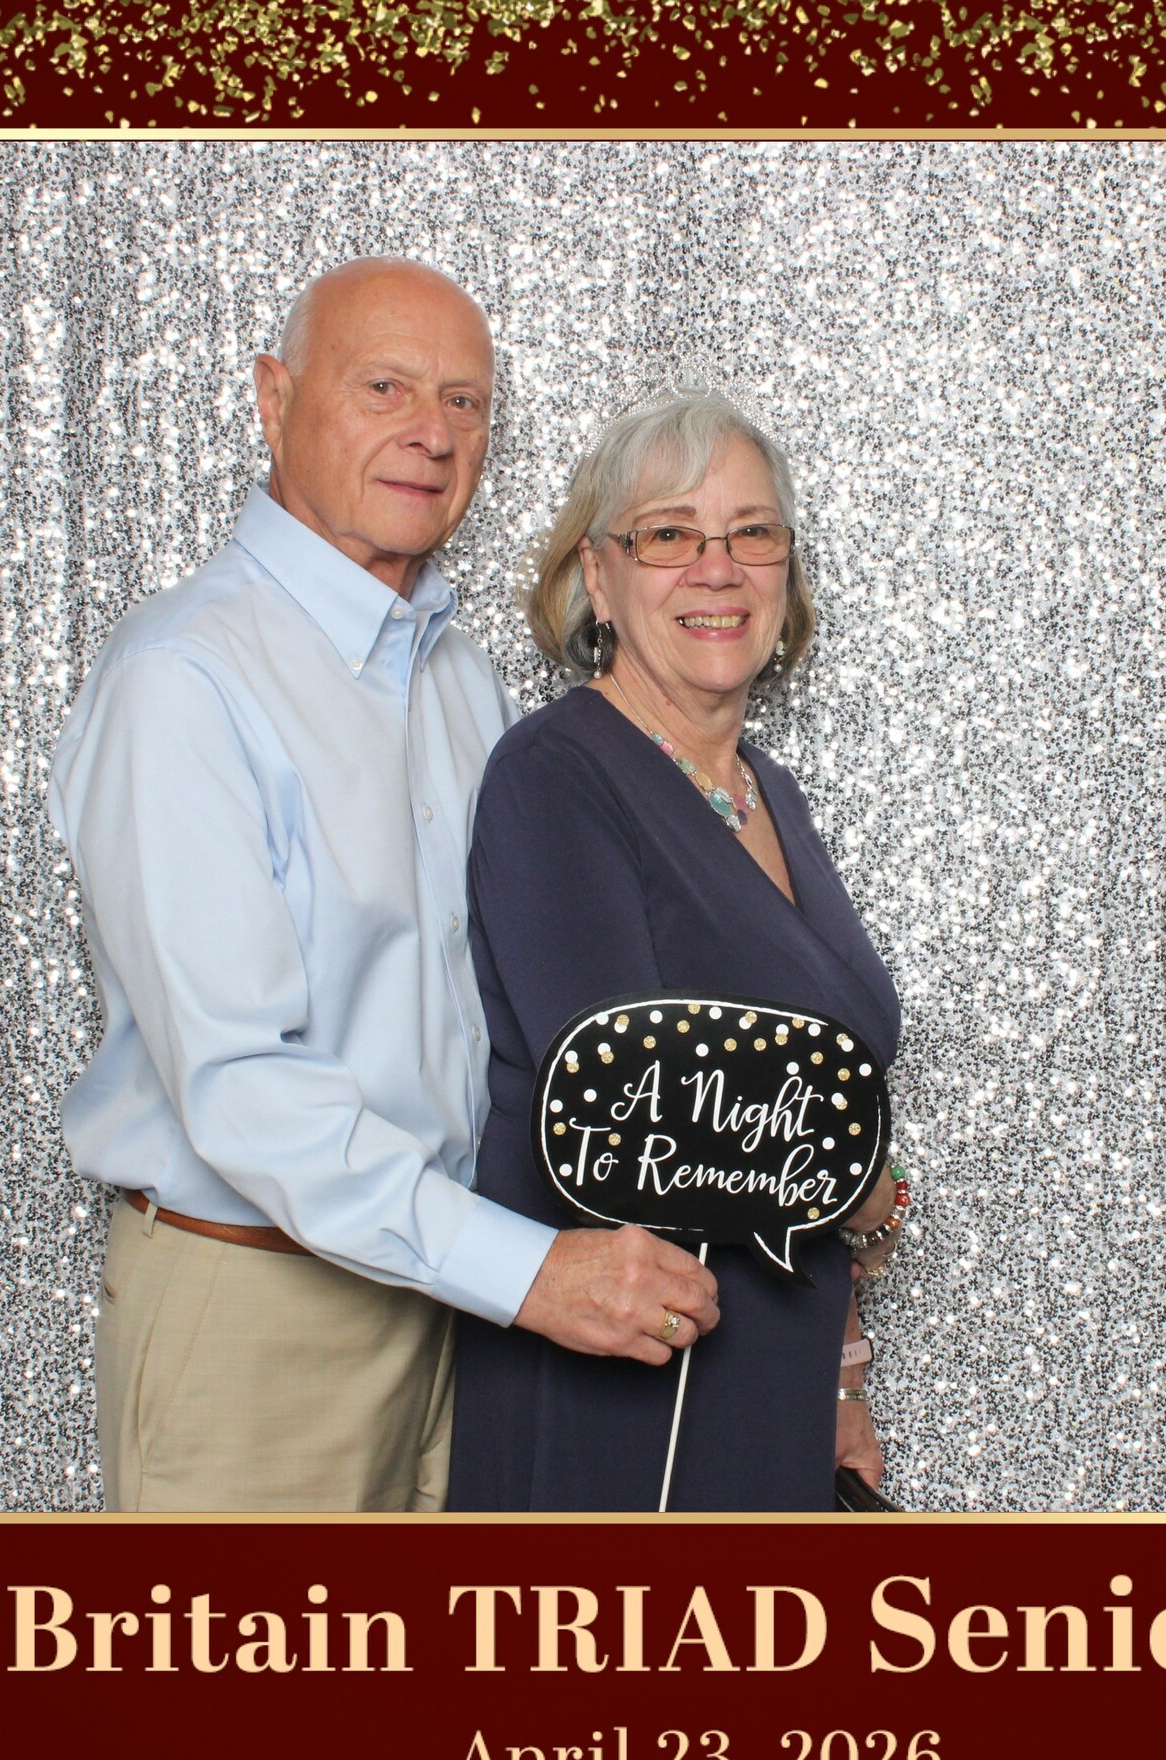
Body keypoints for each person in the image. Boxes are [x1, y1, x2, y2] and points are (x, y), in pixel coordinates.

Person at [46, 260, 720, 1514]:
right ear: (274, 400)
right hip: (261, 1312)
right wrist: (526, 1272)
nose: (433, 433)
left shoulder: (462, 681)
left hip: (452, 1301)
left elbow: (526, 1004)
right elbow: (241, 1081)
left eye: (466, 403)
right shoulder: (183, 678)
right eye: (385, 389)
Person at [452, 388, 908, 1512]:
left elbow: (817, 1080)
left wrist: (842, 1378)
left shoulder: (768, 795)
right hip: (625, 1381)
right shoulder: (555, 776)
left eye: (752, 533)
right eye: (668, 535)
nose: (718, 569)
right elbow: (629, 1104)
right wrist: (857, 1182)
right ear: (598, 577)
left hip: (774, 1370)